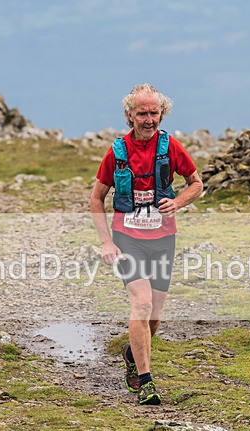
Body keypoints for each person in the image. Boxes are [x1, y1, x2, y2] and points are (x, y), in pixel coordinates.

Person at [90, 83, 203, 406]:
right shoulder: (117, 152)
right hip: (127, 239)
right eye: (143, 113)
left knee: (154, 315)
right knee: (140, 303)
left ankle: (131, 353)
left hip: (163, 238)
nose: (149, 119)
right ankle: (146, 382)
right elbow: (96, 198)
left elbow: (196, 184)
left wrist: (178, 202)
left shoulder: (171, 148)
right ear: (130, 115)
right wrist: (106, 242)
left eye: (154, 113)